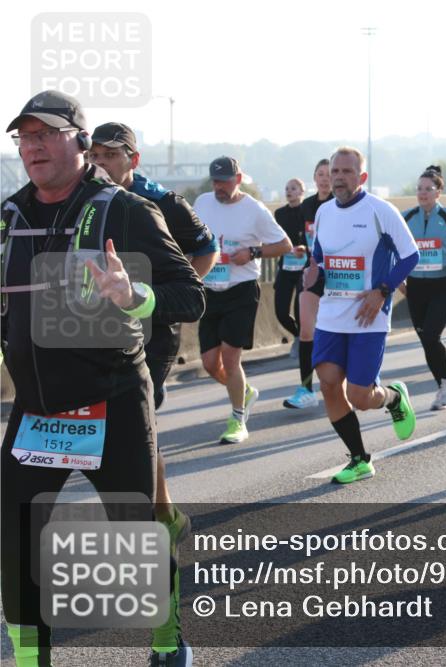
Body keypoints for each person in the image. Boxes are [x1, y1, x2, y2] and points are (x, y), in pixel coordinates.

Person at [2, 90, 203, 667]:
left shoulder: (126, 211)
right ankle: (31, 659)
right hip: (38, 407)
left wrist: (134, 294)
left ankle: (166, 642)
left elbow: (190, 295)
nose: (34, 146)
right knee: (14, 540)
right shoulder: (9, 216)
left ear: (81, 142)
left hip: (111, 400)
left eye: (47, 133)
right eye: (25, 136)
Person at [88, 121, 218, 549]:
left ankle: (159, 518)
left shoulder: (163, 202)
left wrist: (172, 295)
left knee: (139, 418)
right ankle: (160, 513)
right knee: (114, 423)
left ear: (134, 159)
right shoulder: (83, 200)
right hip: (102, 327)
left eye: (111, 155)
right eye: (95, 155)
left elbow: (206, 248)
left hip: (155, 327)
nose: (101, 164)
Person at [307, 147, 420, 484]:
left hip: (368, 316)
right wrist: (313, 272)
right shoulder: (324, 212)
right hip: (331, 314)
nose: (339, 177)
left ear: (362, 177)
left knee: (360, 396)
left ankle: (393, 396)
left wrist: (382, 290)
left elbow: (410, 256)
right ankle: (359, 459)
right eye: (335, 171)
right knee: (329, 384)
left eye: (347, 172)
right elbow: (320, 256)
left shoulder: (380, 211)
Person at [194, 157, 292, 444]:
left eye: (224, 182)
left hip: (241, 290)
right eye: (215, 181)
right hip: (209, 289)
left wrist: (252, 253)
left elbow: (284, 245)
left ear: (238, 180)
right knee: (209, 363)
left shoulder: (254, 210)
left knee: (230, 356)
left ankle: (238, 419)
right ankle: (244, 391)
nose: (219, 187)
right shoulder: (202, 203)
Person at [401, 165, 446, 410]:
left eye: (428, 189)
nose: (422, 193)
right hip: (415, 287)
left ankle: (445, 383)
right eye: (419, 189)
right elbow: (393, 249)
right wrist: (399, 280)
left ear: (438, 192)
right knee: (426, 340)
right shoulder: (406, 218)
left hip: (442, 285)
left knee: (432, 335)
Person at [284, 159, 333, 409]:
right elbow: (302, 237)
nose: (325, 179)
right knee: (306, 329)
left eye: (329, 174)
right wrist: (304, 248)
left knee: (337, 330)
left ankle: (356, 381)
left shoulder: (340, 204)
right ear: (314, 178)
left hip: (340, 274)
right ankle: (306, 389)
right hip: (313, 272)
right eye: (320, 174)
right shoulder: (307, 206)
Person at [273, 177, 309, 355]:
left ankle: (303, 340)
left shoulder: (308, 211)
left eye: (293, 188)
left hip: (304, 267)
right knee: (281, 311)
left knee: (299, 308)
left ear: (302, 191)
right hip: (286, 266)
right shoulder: (279, 214)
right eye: (287, 188)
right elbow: (274, 237)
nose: (289, 191)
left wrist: (305, 248)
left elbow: (314, 236)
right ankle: (298, 334)